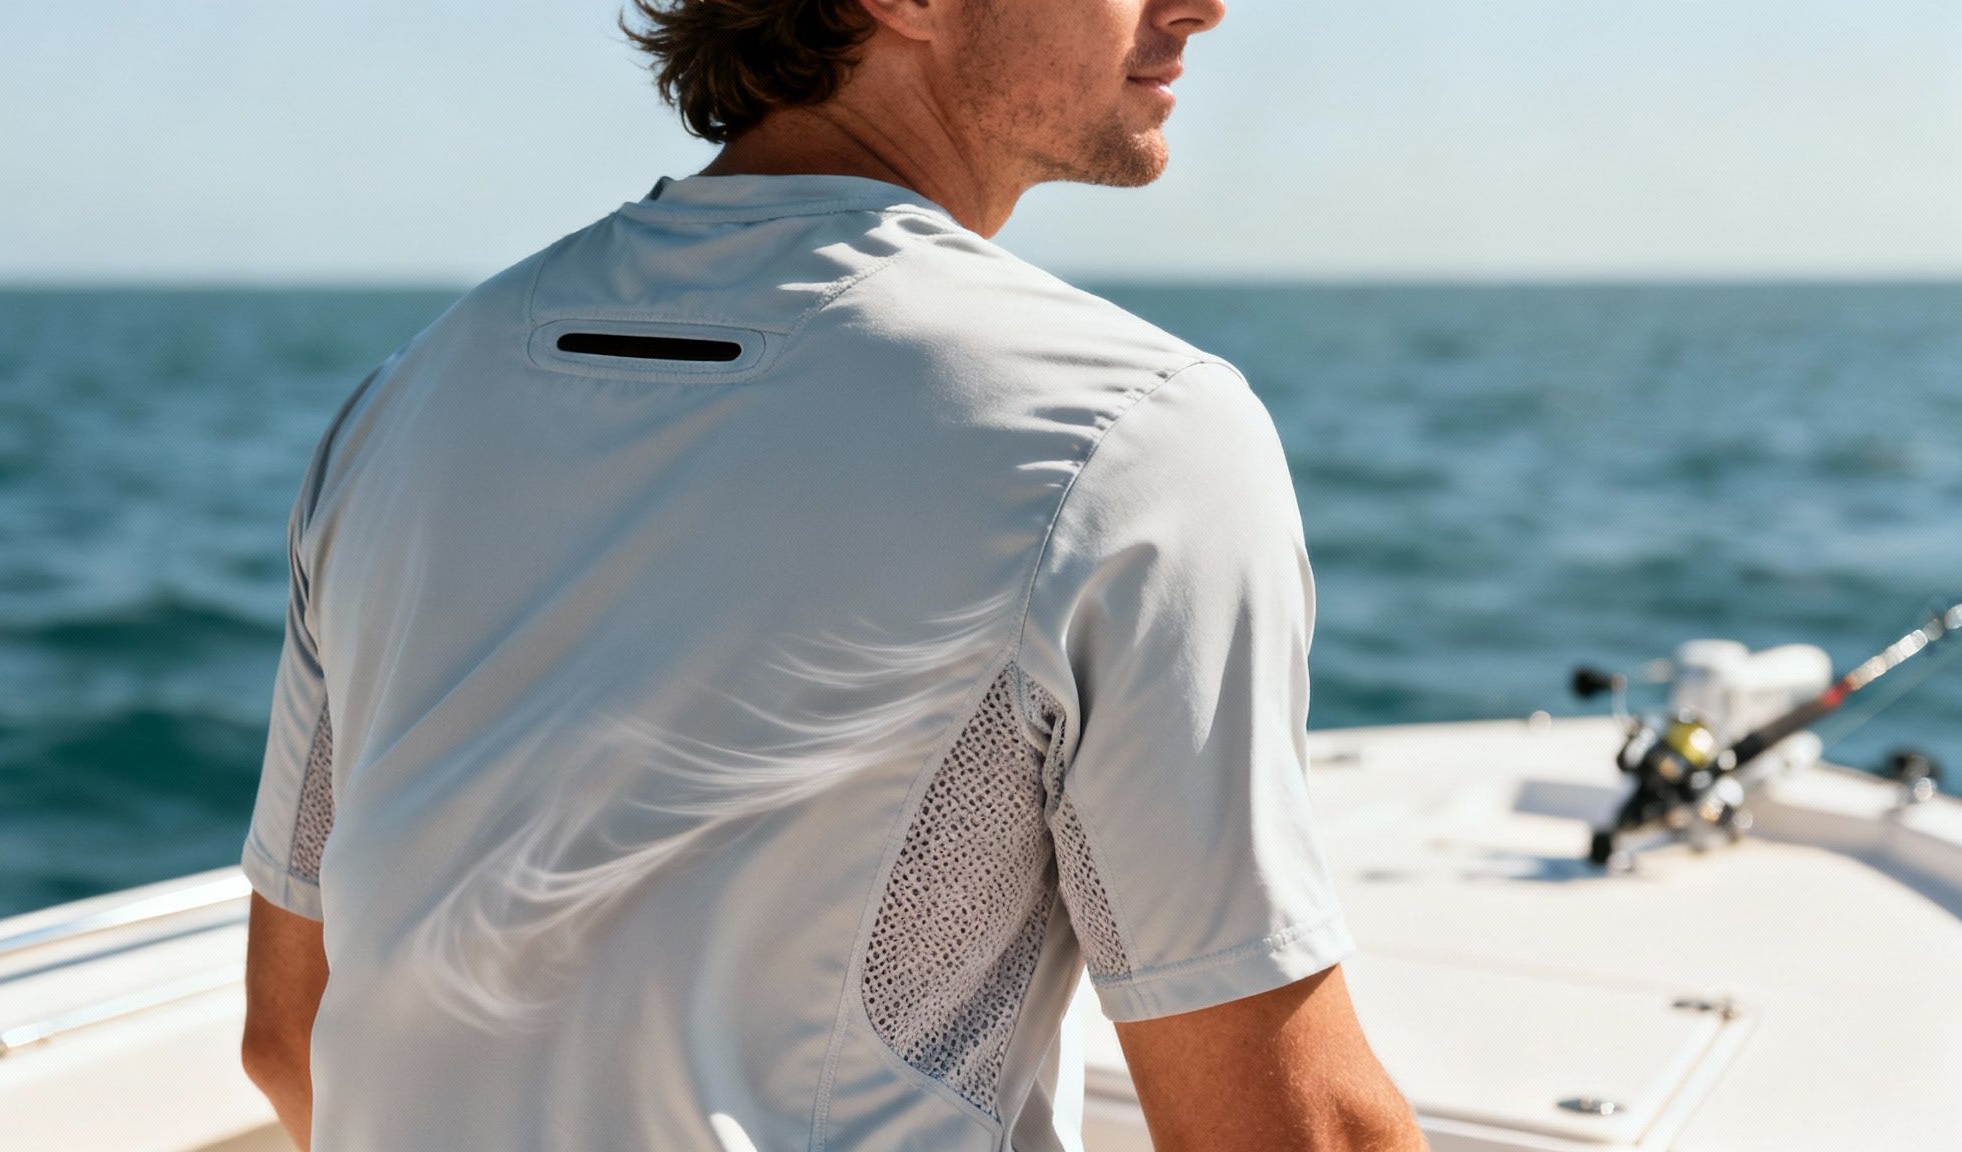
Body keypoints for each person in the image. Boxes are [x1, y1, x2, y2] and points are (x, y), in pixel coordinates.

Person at [237, 0, 1427, 1149]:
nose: (1202, 6)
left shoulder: (404, 401)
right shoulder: (1128, 433)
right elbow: (1291, 1135)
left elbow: (292, 1035)